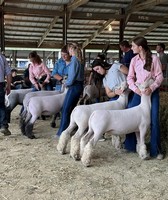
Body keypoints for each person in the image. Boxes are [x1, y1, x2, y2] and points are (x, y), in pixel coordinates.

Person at [124, 36, 164, 159]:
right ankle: (130, 145)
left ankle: (156, 150)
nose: (131, 48)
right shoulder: (134, 60)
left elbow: (159, 77)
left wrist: (151, 88)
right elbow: (129, 78)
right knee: (130, 113)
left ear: (140, 47)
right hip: (138, 92)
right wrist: (136, 90)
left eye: (133, 46)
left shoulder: (154, 59)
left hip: (152, 92)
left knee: (154, 119)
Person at [56, 43, 84, 137]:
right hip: (79, 86)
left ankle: (62, 133)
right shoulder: (79, 60)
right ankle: (70, 130)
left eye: (69, 50)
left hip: (74, 86)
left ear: (71, 50)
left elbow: (71, 78)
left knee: (65, 109)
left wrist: (65, 83)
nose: (68, 52)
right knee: (71, 109)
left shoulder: (74, 60)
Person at [0, 53, 12, 135]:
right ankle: (3, 126)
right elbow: (8, 73)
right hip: (0, 84)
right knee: (1, 105)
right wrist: (8, 86)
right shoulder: (2, 57)